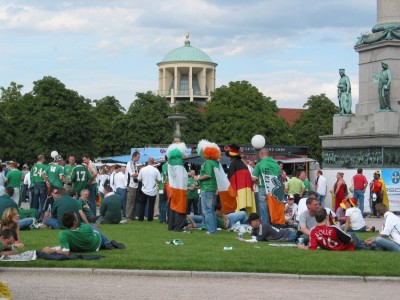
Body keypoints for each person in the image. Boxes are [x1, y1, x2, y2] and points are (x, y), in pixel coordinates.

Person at [42, 211, 125, 255]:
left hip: (88, 244)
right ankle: (107, 242)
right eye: (76, 216)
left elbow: (65, 251)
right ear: (75, 222)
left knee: (91, 228)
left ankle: (107, 242)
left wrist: (51, 250)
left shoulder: (63, 234)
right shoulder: (85, 228)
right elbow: (93, 234)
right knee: (94, 229)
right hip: (96, 244)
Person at [298, 208, 367, 251]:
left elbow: (312, 248)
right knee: (354, 237)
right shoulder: (333, 228)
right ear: (326, 218)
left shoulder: (313, 231)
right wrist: (339, 228)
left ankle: (367, 243)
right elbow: (350, 240)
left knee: (364, 243)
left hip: (331, 246)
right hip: (345, 247)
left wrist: (302, 247)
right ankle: (367, 243)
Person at [252, 147, 284, 224]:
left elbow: (253, 178)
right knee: (273, 208)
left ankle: (266, 226)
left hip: (263, 188)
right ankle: (276, 224)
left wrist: (257, 182)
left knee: (264, 209)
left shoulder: (260, 164)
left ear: (261, 154)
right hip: (275, 190)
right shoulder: (276, 164)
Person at [194, 140, 220, 234]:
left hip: (207, 188)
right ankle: (213, 229)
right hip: (213, 188)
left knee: (207, 211)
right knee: (211, 210)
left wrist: (198, 178)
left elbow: (208, 175)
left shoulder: (208, 162)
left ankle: (211, 230)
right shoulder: (215, 163)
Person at [226, 144, 256, 214]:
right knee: (244, 208)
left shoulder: (233, 164)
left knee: (240, 208)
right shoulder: (242, 164)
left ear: (231, 156)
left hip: (239, 190)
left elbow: (230, 178)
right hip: (247, 191)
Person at [137, 157, 161, 222]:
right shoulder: (156, 170)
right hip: (153, 190)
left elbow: (139, 179)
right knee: (151, 205)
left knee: (142, 205)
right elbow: (159, 180)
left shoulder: (142, 169)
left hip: (144, 189)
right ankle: (150, 219)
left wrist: (143, 180)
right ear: (153, 162)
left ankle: (140, 218)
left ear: (147, 162)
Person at [125, 151, 140, 221]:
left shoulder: (135, 164)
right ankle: (128, 216)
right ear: (134, 156)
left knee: (134, 202)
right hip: (131, 185)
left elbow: (136, 174)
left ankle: (132, 216)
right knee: (130, 201)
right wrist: (140, 172)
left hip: (135, 185)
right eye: (138, 157)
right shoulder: (129, 163)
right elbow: (132, 174)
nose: (139, 158)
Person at [158, 158, 169, 223]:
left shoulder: (161, 173)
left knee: (161, 204)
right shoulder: (171, 166)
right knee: (167, 204)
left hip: (161, 189)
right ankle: (168, 219)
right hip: (167, 188)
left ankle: (162, 219)